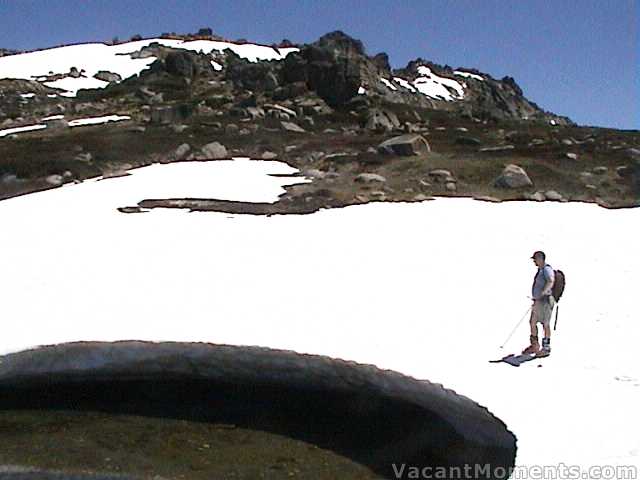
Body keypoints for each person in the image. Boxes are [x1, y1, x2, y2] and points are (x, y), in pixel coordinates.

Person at [522, 251, 556, 356]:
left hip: (545, 301)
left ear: (541, 258)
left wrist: (544, 292)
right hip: (538, 301)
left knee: (545, 324)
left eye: (535, 259)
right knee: (532, 322)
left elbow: (551, 280)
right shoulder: (540, 270)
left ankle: (546, 348)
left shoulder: (546, 269)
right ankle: (535, 345)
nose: (534, 262)